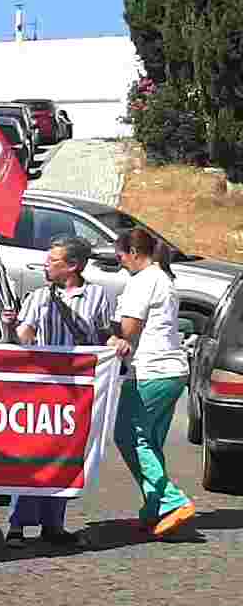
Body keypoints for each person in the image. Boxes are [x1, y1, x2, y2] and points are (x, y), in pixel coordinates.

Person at [0, 236, 112, 547]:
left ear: (73, 266)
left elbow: (103, 341)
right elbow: (22, 341)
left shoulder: (98, 297)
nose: (46, 266)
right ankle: (17, 525)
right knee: (31, 456)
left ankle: (54, 524)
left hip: (78, 393)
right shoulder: (38, 298)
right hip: (43, 390)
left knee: (65, 458)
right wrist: (10, 326)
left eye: (53, 261)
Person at [110, 226, 195, 538]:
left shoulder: (143, 281)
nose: (119, 262)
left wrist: (108, 342)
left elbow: (129, 330)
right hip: (172, 371)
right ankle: (154, 505)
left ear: (133, 253)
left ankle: (173, 500)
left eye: (120, 256)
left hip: (150, 371)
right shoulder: (164, 278)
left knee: (131, 437)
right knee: (151, 441)